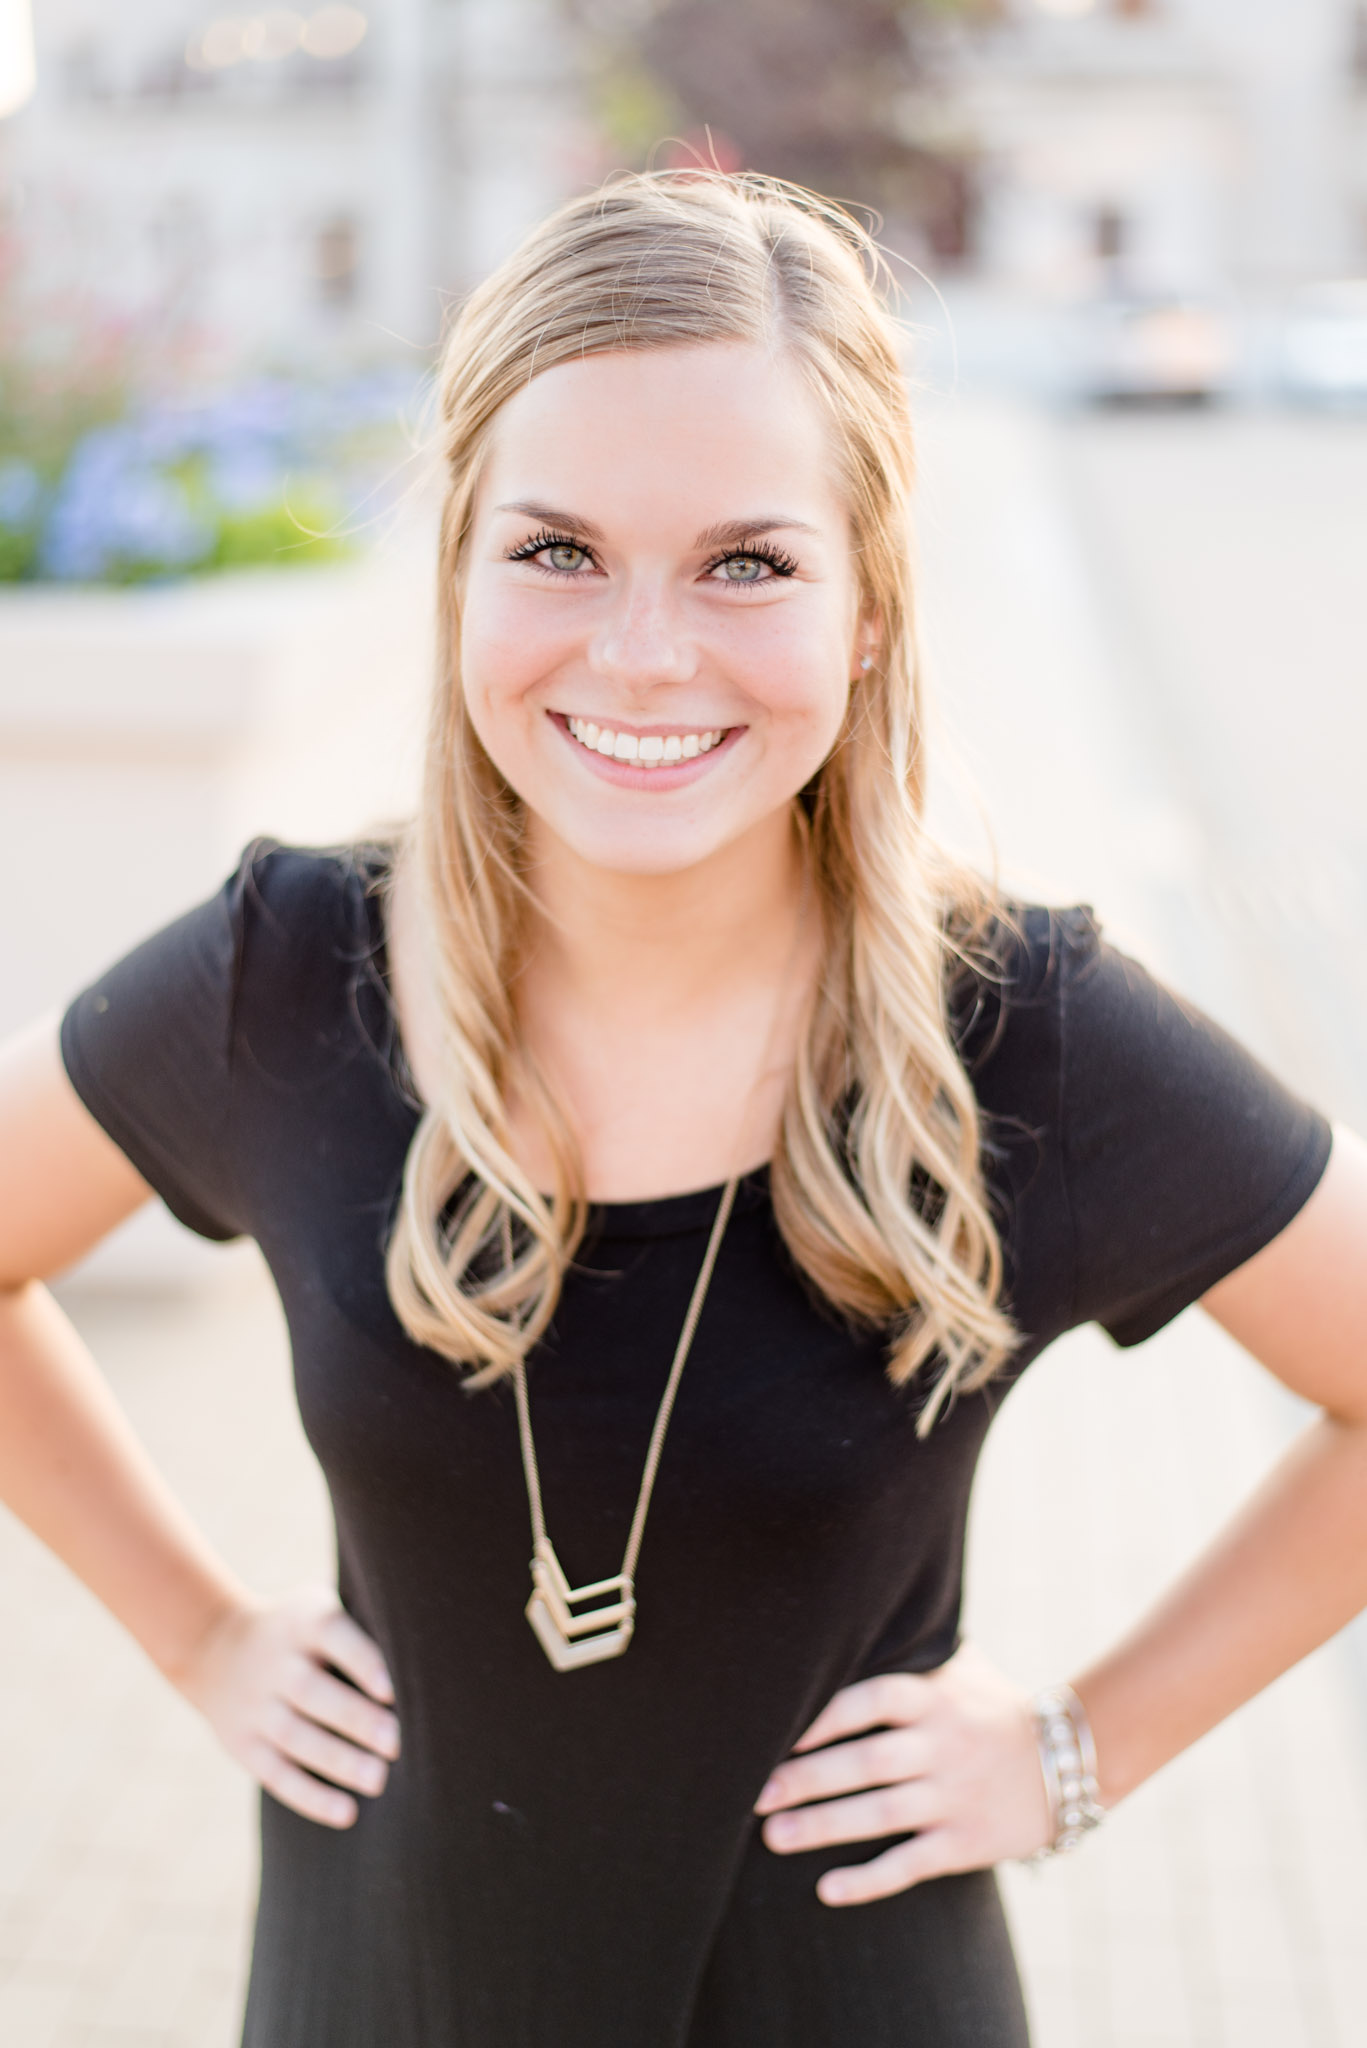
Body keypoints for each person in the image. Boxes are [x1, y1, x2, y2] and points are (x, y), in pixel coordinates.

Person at [1, 171, 1365, 2048]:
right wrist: (197, 1632)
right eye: (558, 550)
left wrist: (1072, 1751)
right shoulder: (290, 972)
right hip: (381, 1998)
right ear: (460, 562)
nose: (645, 653)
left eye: (747, 562)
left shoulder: (1020, 1035)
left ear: (870, 609)